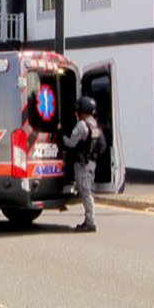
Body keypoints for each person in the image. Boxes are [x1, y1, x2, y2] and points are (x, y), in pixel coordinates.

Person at [62, 96, 100, 233]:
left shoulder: (82, 125)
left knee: (86, 193)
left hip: (83, 164)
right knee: (87, 191)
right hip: (91, 163)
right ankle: (88, 220)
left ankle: (90, 222)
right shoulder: (94, 124)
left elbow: (71, 143)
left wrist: (61, 136)